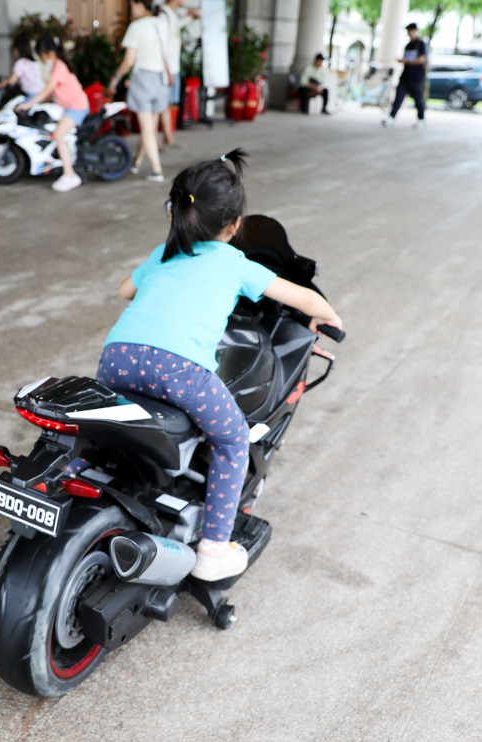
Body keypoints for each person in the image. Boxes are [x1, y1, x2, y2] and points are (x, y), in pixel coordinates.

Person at [81, 149, 343, 581]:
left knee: (100, 425)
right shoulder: (236, 263)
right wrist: (331, 316)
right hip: (179, 372)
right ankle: (214, 552)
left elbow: (124, 290)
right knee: (232, 439)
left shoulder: (163, 253)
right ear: (236, 225)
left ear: (174, 213)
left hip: (117, 358)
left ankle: (75, 473)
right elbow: (302, 298)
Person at [109, 0, 172, 182]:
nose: (131, 11)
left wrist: (115, 79)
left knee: (146, 128)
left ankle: (156, 170)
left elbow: (128, 61)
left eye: (131, 7)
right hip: (160, 78)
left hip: (143, 78)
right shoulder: (162, 23)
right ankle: (136, 162)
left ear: (139, 5)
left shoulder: (136, 27)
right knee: (150, 128)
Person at [18, 36, 90, 192]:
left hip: (76, 107)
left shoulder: (59, 67)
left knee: (58, 134)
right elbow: (52, 93)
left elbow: (47, 90)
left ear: (50, 53)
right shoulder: (57, 67)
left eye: (42, 56)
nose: (42, 60)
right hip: (69, 107)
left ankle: (70, 175)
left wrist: (27, 105)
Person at [157, 0, 199, 146]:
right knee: (160, 104)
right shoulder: (164, 16)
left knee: (167, 104)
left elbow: (175, 29)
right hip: (167, 68)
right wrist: (167, 71)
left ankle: (166, 136)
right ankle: (157, 138)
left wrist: (190, 17)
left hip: (173, 68)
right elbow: (161, 46)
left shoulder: (172, 15)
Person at [382, 22, 427, 128]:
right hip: (405, 76)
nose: (409, 33)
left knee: (418, 99)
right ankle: (391, 118)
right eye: (408, 31)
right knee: (398, 97)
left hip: (416, 77)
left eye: (411, 31)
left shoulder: (421, 44)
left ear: (415, 31)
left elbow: (421, 59)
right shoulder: (408, 45)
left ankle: (421, 119)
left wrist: (406, 61)